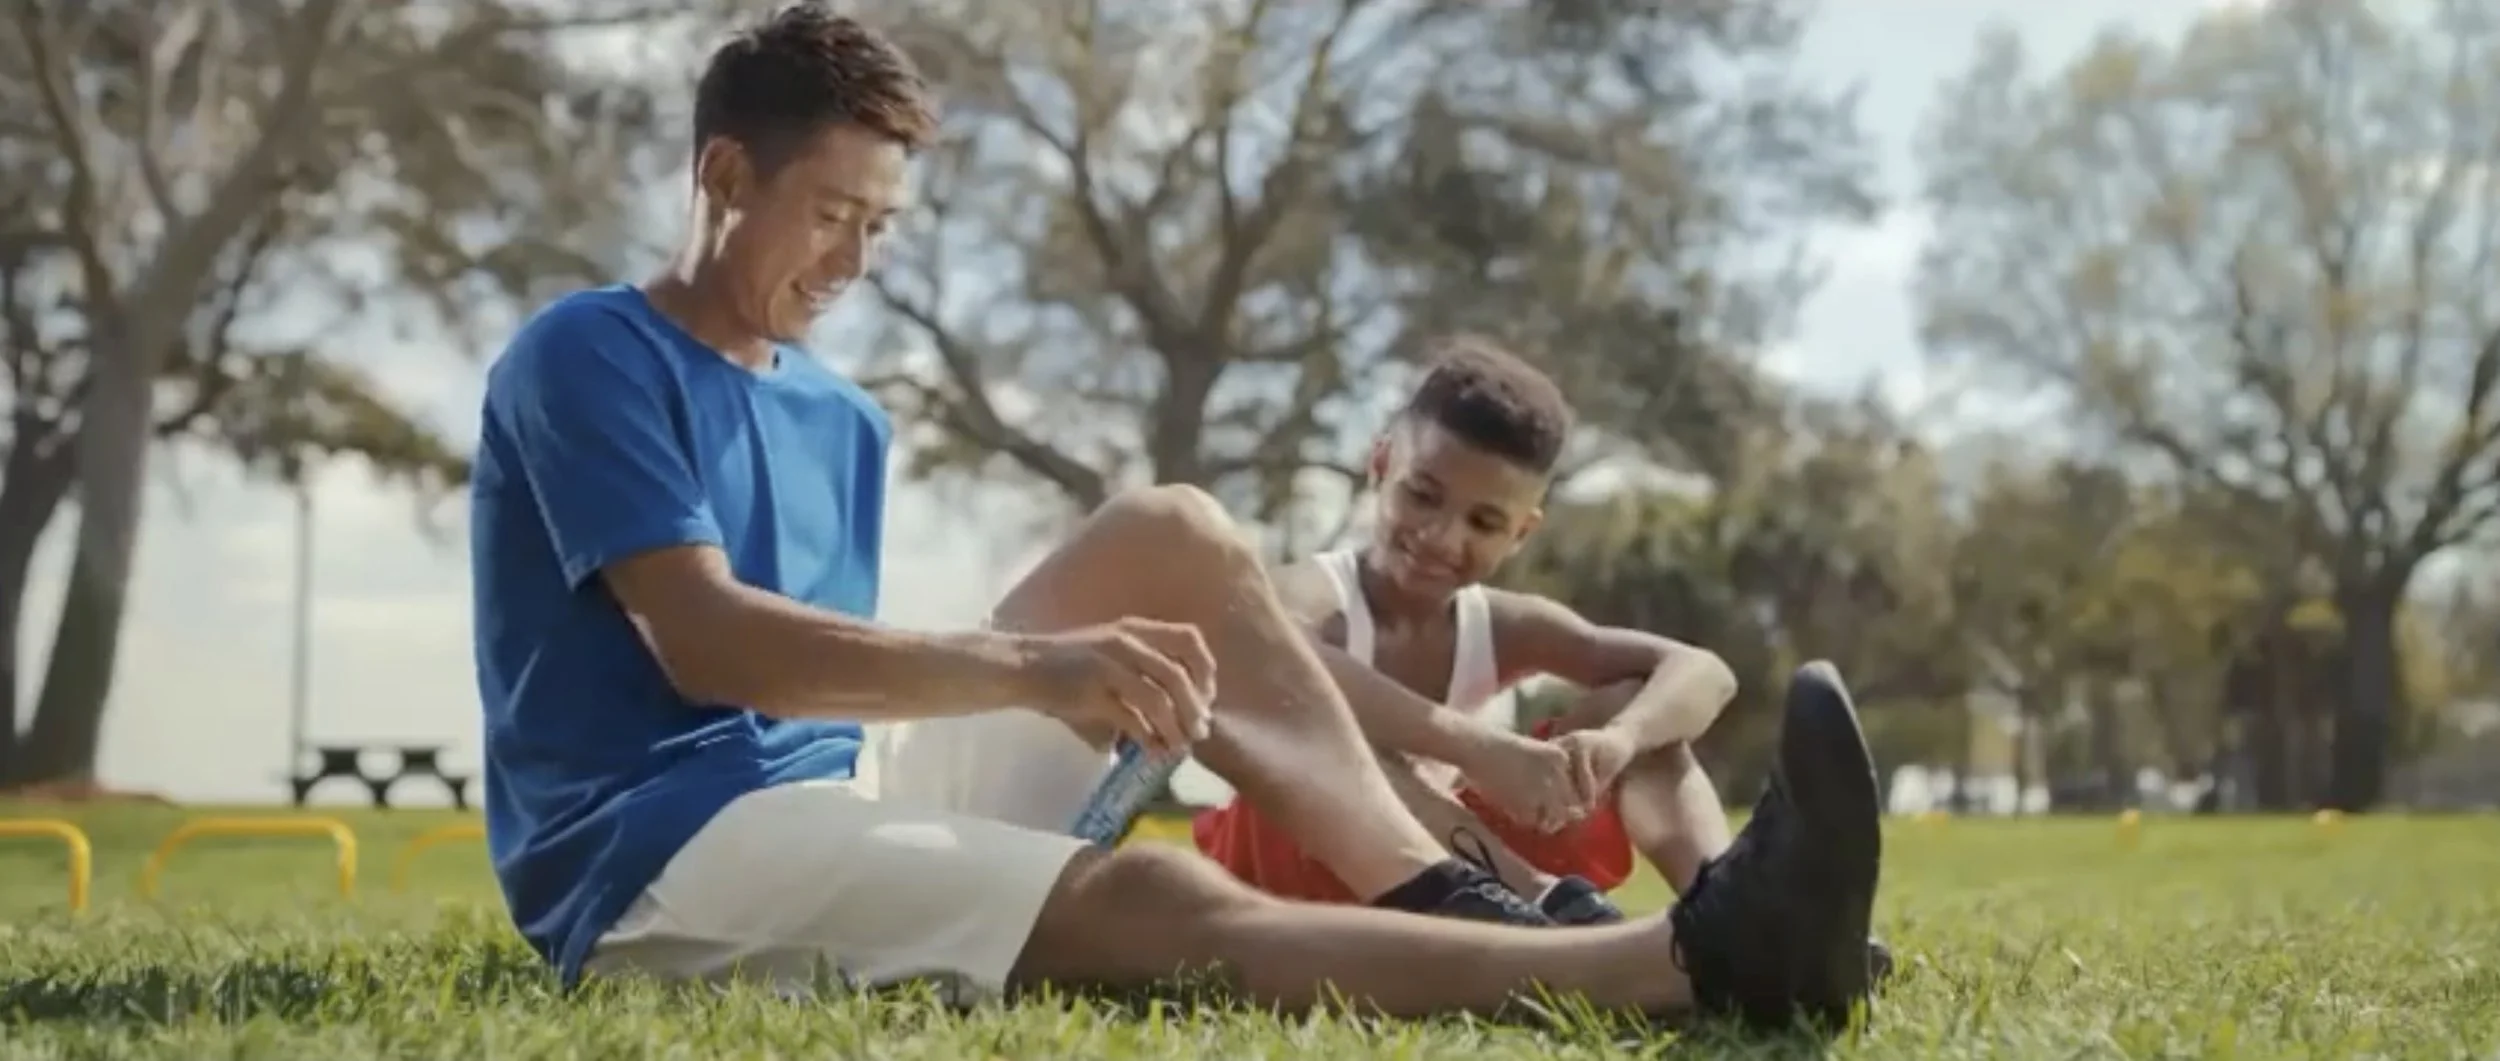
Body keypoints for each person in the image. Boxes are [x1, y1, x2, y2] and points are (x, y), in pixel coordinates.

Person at [467, 0, 1887, 1035]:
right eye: (833, 214)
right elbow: (713, 646)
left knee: (1181, 532)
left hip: (833, 797)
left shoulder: (844, 415)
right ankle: (1680, 965)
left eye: (880, 225)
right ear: (724, 176)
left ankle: (1463, 904)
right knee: (1146, 904)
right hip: (654, 857)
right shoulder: (587, 353)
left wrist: (1057, 675)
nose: (855, 259)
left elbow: (822, 695)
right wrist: (1039, 668)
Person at [1190, 339, 1894, 975]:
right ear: (1381, 466)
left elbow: (1704, 672)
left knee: (1635, 701)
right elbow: (1274, 654)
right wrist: (1476, 747)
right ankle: (1549, 903)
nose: (1442, 537)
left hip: (1450, 865)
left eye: (1483, 521)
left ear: (1521, 532)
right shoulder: (1316, 591)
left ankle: (1734, 907)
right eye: (1423, 495)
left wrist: (1618, 741)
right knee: (1349, 735)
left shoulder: (1499, 623)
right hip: (1287, 857)